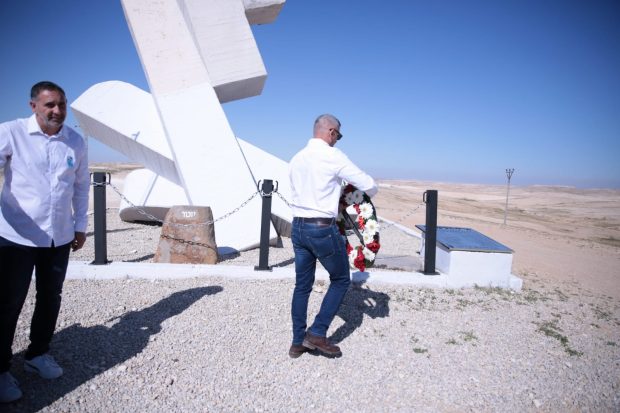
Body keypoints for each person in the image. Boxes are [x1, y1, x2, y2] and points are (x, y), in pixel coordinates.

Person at [0, 81, 89, 403]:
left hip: (58, 237)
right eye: (50, 104)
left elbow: (81, 187)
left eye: (61, 104)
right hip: (17, 236)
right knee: (9, 302)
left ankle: (38, 354)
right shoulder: (11, 132)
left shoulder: (75, 141)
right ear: (33, 106)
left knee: (50, 297)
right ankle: (1, 369)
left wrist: (80, 226)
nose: (57, 111)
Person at [288, 114, 378, 358]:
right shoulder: (333, 156)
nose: (338, 139)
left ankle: (297, 342)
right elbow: (369, 185)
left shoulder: (297, 158)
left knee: (302, 286)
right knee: (340, 280)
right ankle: (317, 333)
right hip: (321, 228)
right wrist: (345, 198)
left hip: (298, 227)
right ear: (330, 131)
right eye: (338, 134)